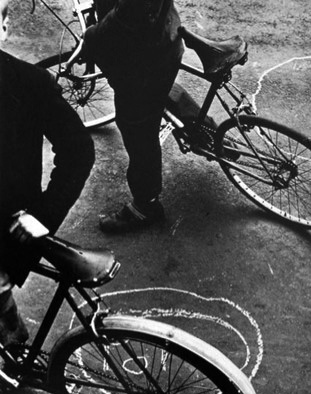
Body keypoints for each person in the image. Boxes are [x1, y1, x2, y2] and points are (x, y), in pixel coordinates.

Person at [0, 0, 95, 350]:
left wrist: (45, 214)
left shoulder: (29, 83)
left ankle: (12, 349)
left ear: (4, 27)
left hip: (7, 232)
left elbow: (78, 149)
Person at [83, 0, 184, 233]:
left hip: (144, 54)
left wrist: (93, 35)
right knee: (163, 93)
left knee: (138, 128)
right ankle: (207, 130)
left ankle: (145, 206)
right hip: (163, 35)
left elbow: (130, 11)